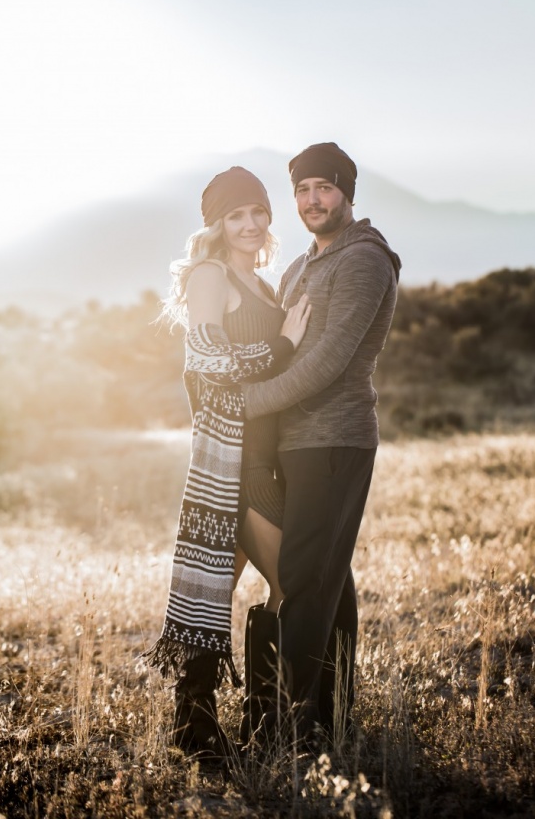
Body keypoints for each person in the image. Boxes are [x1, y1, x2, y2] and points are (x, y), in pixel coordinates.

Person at [144, 166, 310, 760]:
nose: (249, 223)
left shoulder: (263, 286)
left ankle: (195, 727)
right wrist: (283, 345)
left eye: (258, 211)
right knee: (291, 586)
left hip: (268, 458)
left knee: (214, 597)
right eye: (235, 215)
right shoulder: (209, 275)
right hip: (235, 464)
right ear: (217, 224)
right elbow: (206, 359)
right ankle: (268, 725)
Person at [241, 142, 402, 743]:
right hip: (293, 441)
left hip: (334, 439)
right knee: (325, 573)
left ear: (346, 193)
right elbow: (284, 349)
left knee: (307, 576)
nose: (312, 200)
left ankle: (290, 725)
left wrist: (248, 403)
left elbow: (329, 361)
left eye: (324, 188)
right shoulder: (300, 267)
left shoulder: (363, 260)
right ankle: (329, 713)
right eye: (302, 190)